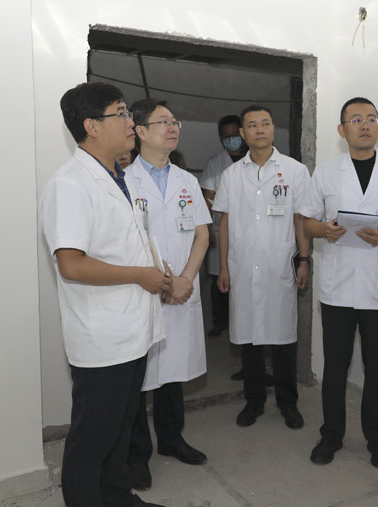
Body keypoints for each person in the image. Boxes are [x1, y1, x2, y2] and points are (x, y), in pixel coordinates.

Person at [40, 82, 170, 507]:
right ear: (92, 126)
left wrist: (153, 268)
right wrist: (141, 275)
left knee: (120, 428)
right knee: (92, 439)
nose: (131, 122)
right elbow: (72, 264)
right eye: (122, 114)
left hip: (131, 330)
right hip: (102, 338)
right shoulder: (71, 183)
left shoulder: (117, 176)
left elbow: (120, 243)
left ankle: (118, 498)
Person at [300, 97, 378, 468]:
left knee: (377, 367)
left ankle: (377, 439)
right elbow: (307, 222)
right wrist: (326, 229)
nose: (364, 125)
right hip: (337, 285)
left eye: (371, 119)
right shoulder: (325, 173)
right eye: (355, 119)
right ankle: (331, 435)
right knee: (335, 367)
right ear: (342, 130)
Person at [125, 99, 211, 490]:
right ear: (140, 131)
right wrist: (163, 282)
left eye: (175, 121)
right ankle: (137, 455)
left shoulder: (187, 181)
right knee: (138, 376)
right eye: (163, 122)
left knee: (172, 371)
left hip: (181, 290)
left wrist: (185, 279)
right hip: (143, 291)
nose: (173, 127)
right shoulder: (124, 181)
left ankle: (172, 439)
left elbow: (202, 235)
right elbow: (124, 242)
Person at [213, 104, 311, 429]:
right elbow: (224, 223)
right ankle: (253, 401)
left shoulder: (295, 171)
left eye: (265, 123)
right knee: (249, 339)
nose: (260, 129)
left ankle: (288, 402)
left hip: (279, 266)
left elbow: (300, 219)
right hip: (241, 268)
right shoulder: (231, 175)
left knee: (283, 338)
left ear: (273, 128)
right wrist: (224, 268)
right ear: (243, 133)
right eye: (252, 125)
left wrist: (304, 260)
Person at [200, 115, 246, 339]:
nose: (231, 139)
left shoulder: (253, 158)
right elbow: (208, 198)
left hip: (248, 230)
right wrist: (208, 230)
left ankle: (242, 321)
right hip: (221, 229)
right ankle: (220, 322)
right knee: (219, 278)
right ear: (221, 138)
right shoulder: (215, 163)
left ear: (242, 133)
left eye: (235, 135)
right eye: (227, 136)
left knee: (244, 278)